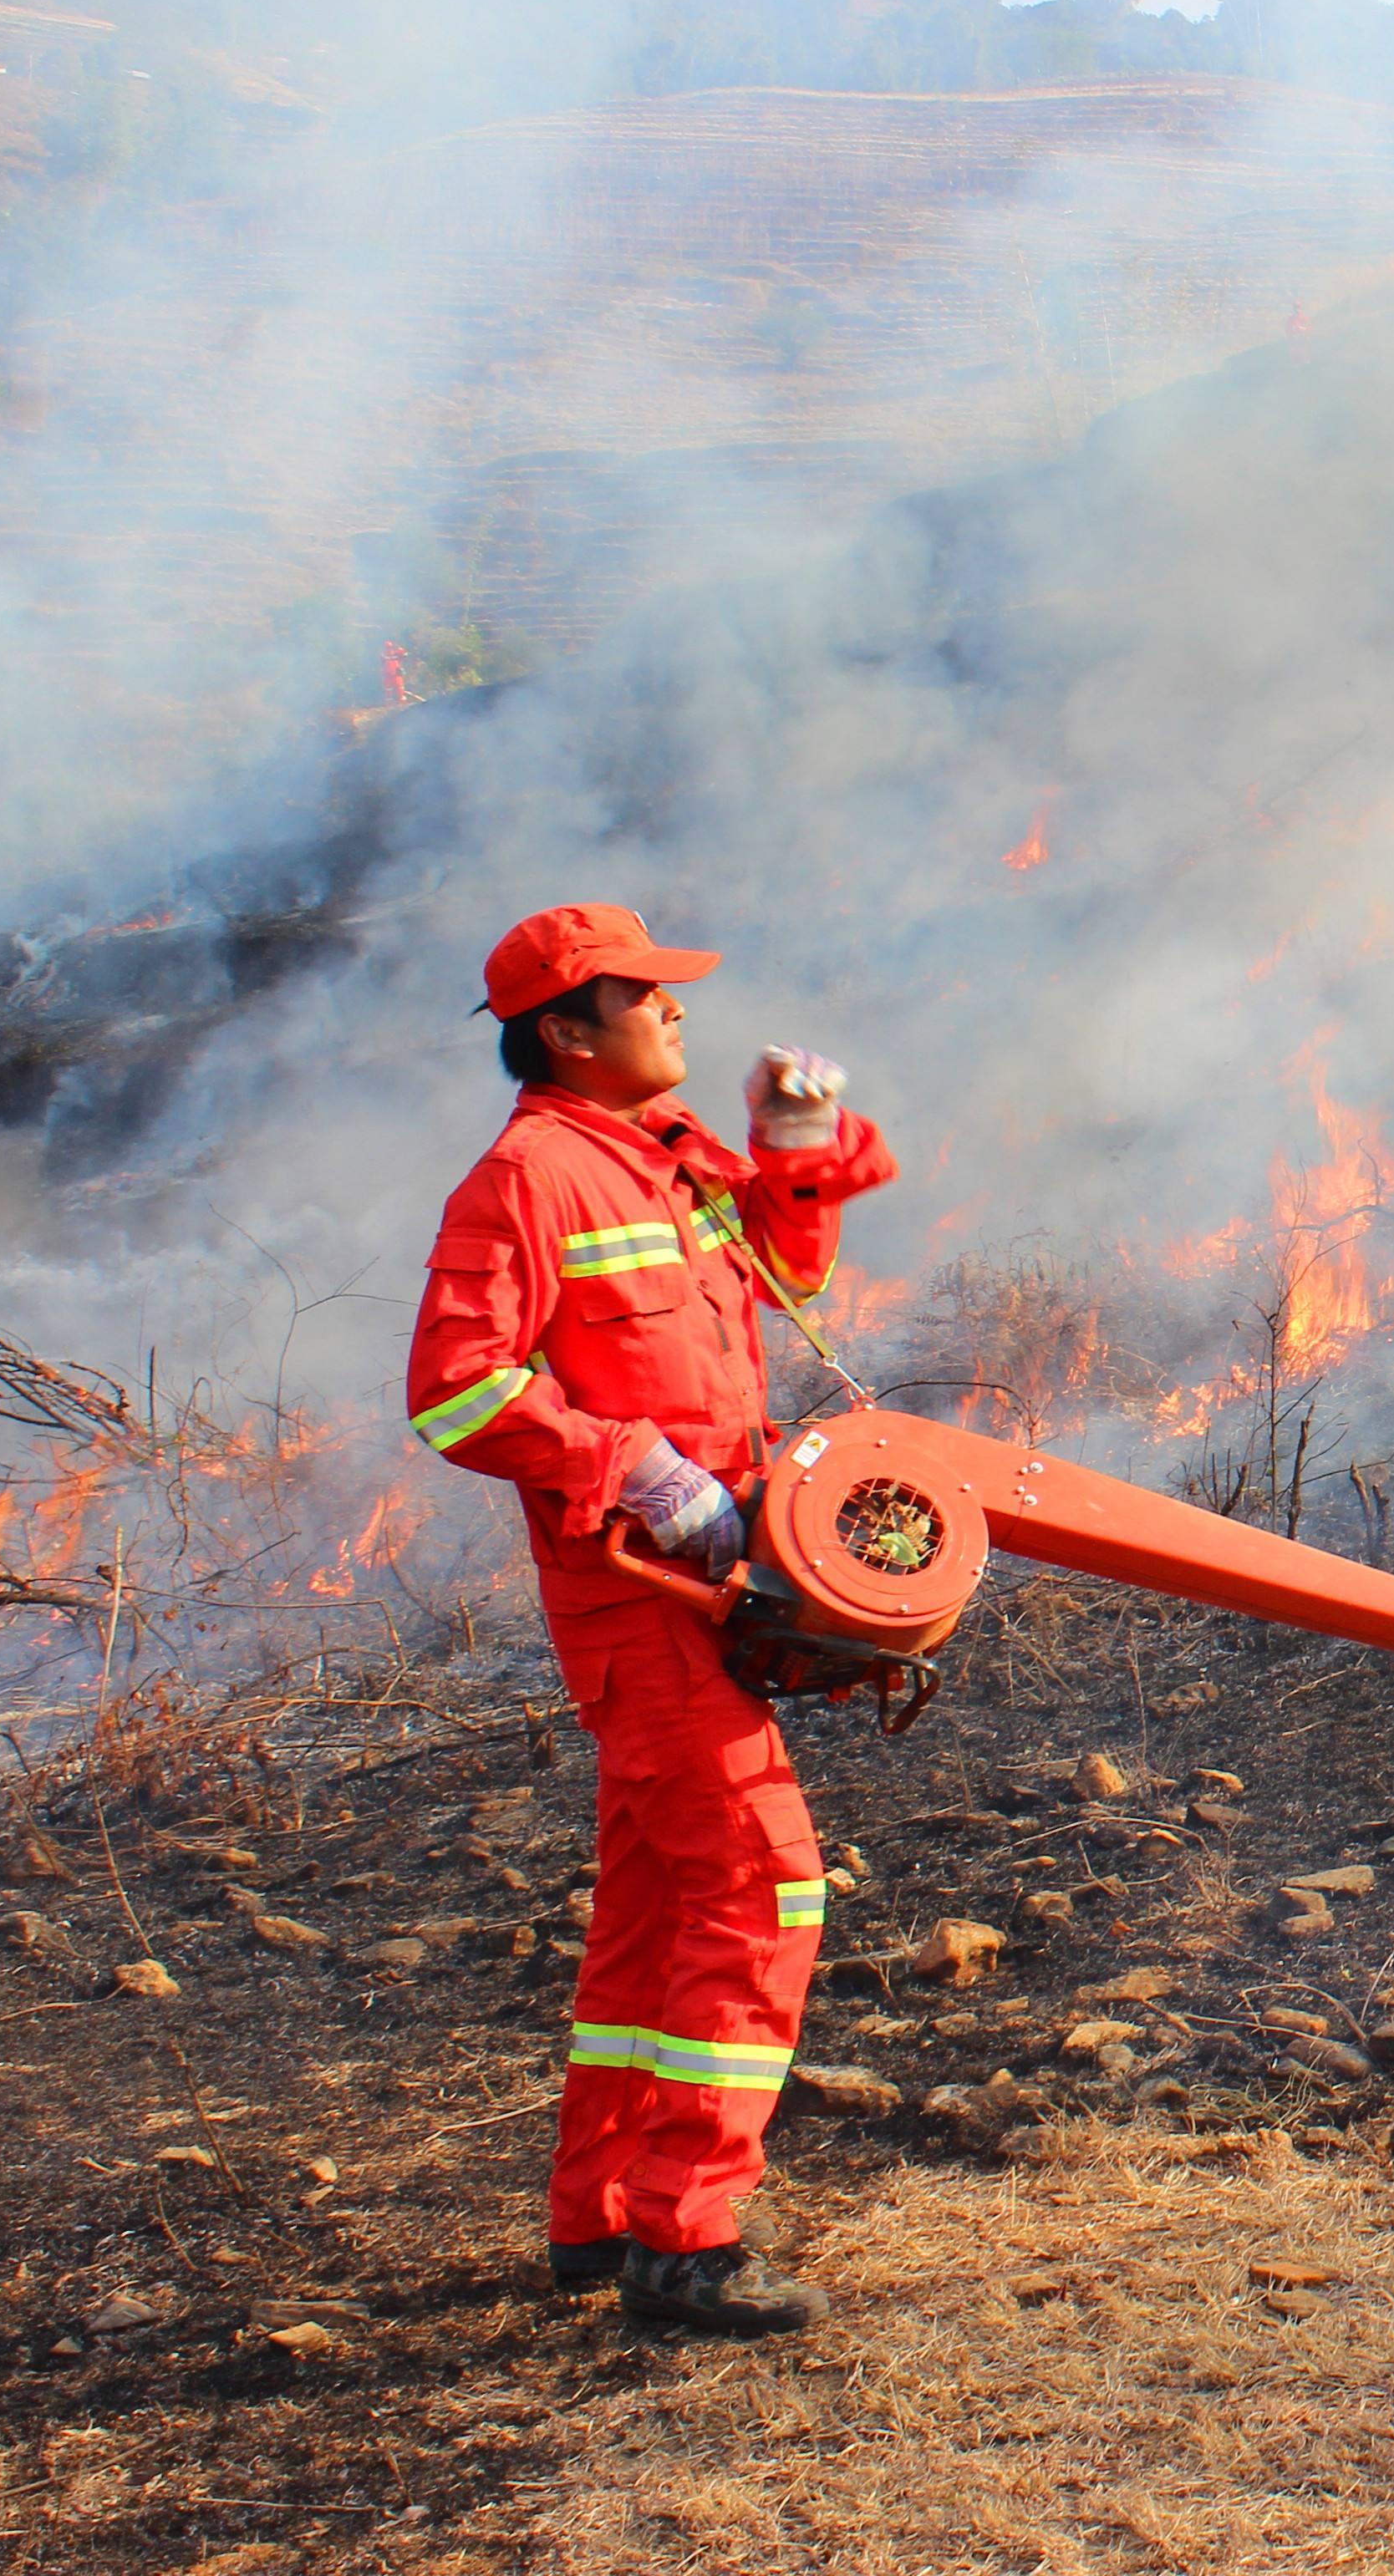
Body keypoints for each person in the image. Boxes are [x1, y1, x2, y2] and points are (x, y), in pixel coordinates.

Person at [401, 903, 896, 2335]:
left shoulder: (661, 1163)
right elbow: (456, 1392)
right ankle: (689, 2240)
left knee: (660, 1903)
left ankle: (599, 2218)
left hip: (712, 1586)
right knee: (760, 1887)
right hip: (641, 1600)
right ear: (568, 1030)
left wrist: (791, 1143)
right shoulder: (525, 1181)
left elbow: (784, 1289)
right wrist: (634, 1468)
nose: (677, 1013)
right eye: (647, 997)